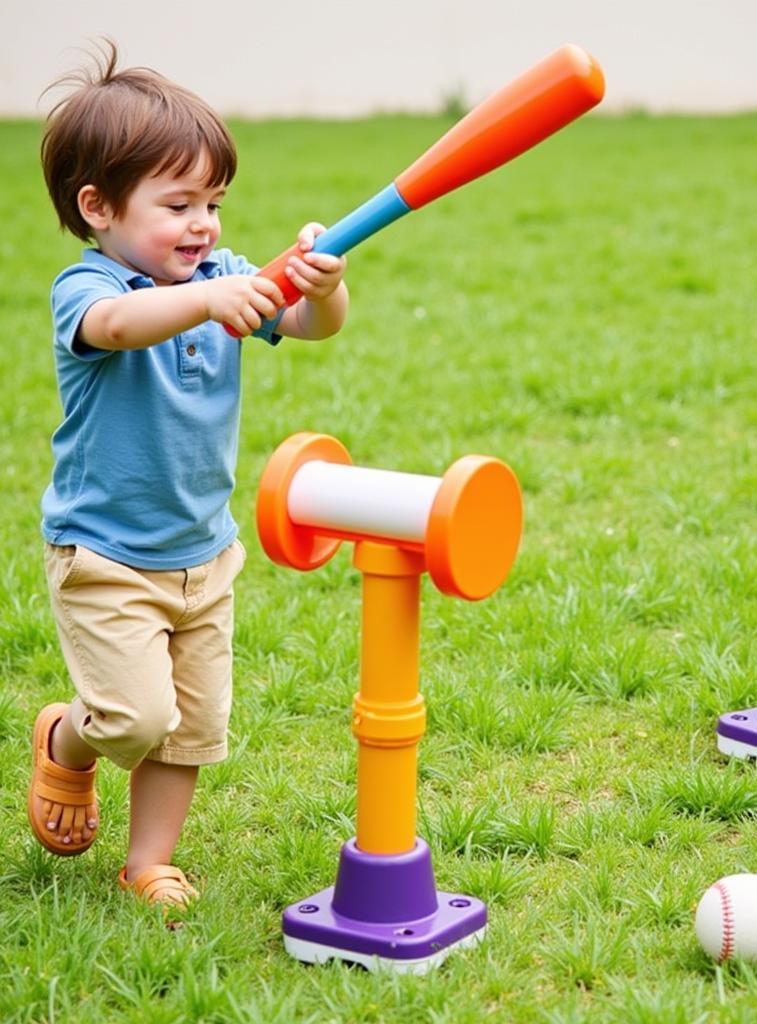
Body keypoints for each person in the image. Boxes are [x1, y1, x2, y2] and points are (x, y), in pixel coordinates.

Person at [27, 42, 348, 909]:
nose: (203, 223)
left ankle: (148, 862)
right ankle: (67, 740)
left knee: (192, 728)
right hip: (105, 557)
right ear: (98, 207)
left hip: (204, 555)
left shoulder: (222, 275)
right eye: (178, 203)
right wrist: (206, 301)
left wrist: (320, 286)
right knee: (137, 718)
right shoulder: (87, 287)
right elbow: (122, 325)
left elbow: (314, 327)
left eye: (212, 201)